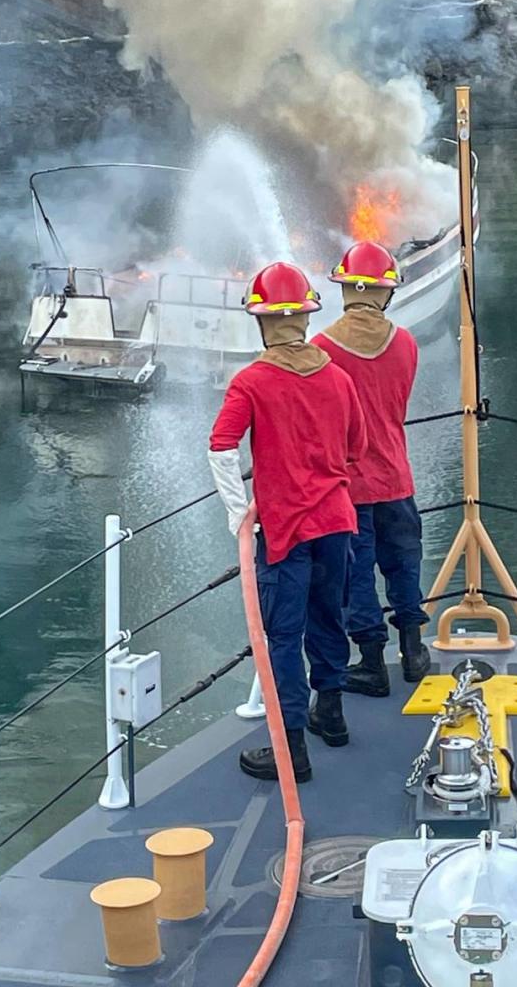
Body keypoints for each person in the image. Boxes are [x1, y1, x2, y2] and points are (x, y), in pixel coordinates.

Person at [208, 261, 367, 784]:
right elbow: (356, 449)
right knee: (329, 619)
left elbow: (222, 447)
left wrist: (238, 512)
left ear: (261, 323)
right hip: (338, 524)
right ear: (305, 316)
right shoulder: (340, 378)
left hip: (285, 533)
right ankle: (334, 715)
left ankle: (291, 752)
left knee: (282, 636)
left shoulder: (251, 381)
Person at [311, 240, 431, 696]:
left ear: (344, 289)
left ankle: (371, 663)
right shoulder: (407, 343)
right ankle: (414, 650)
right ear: (386, 293)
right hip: (397, 477)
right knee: (404, 564)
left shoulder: (322, 349)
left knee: (355, 574)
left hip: (348, 487)